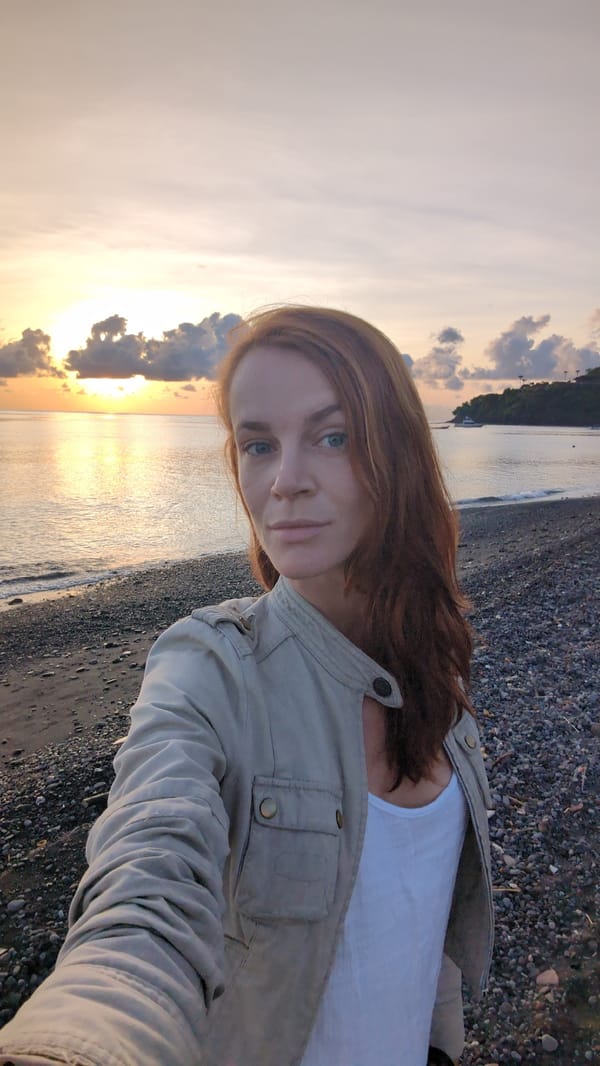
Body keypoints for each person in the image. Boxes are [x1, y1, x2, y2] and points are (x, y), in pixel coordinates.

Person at [0, 306, 494, 1066]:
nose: (285, 481)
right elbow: (148, 883)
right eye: (259, 444)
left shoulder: (438, 669)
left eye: (334, 437)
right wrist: (83, 1040)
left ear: (396, 453)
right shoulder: (211, 667)